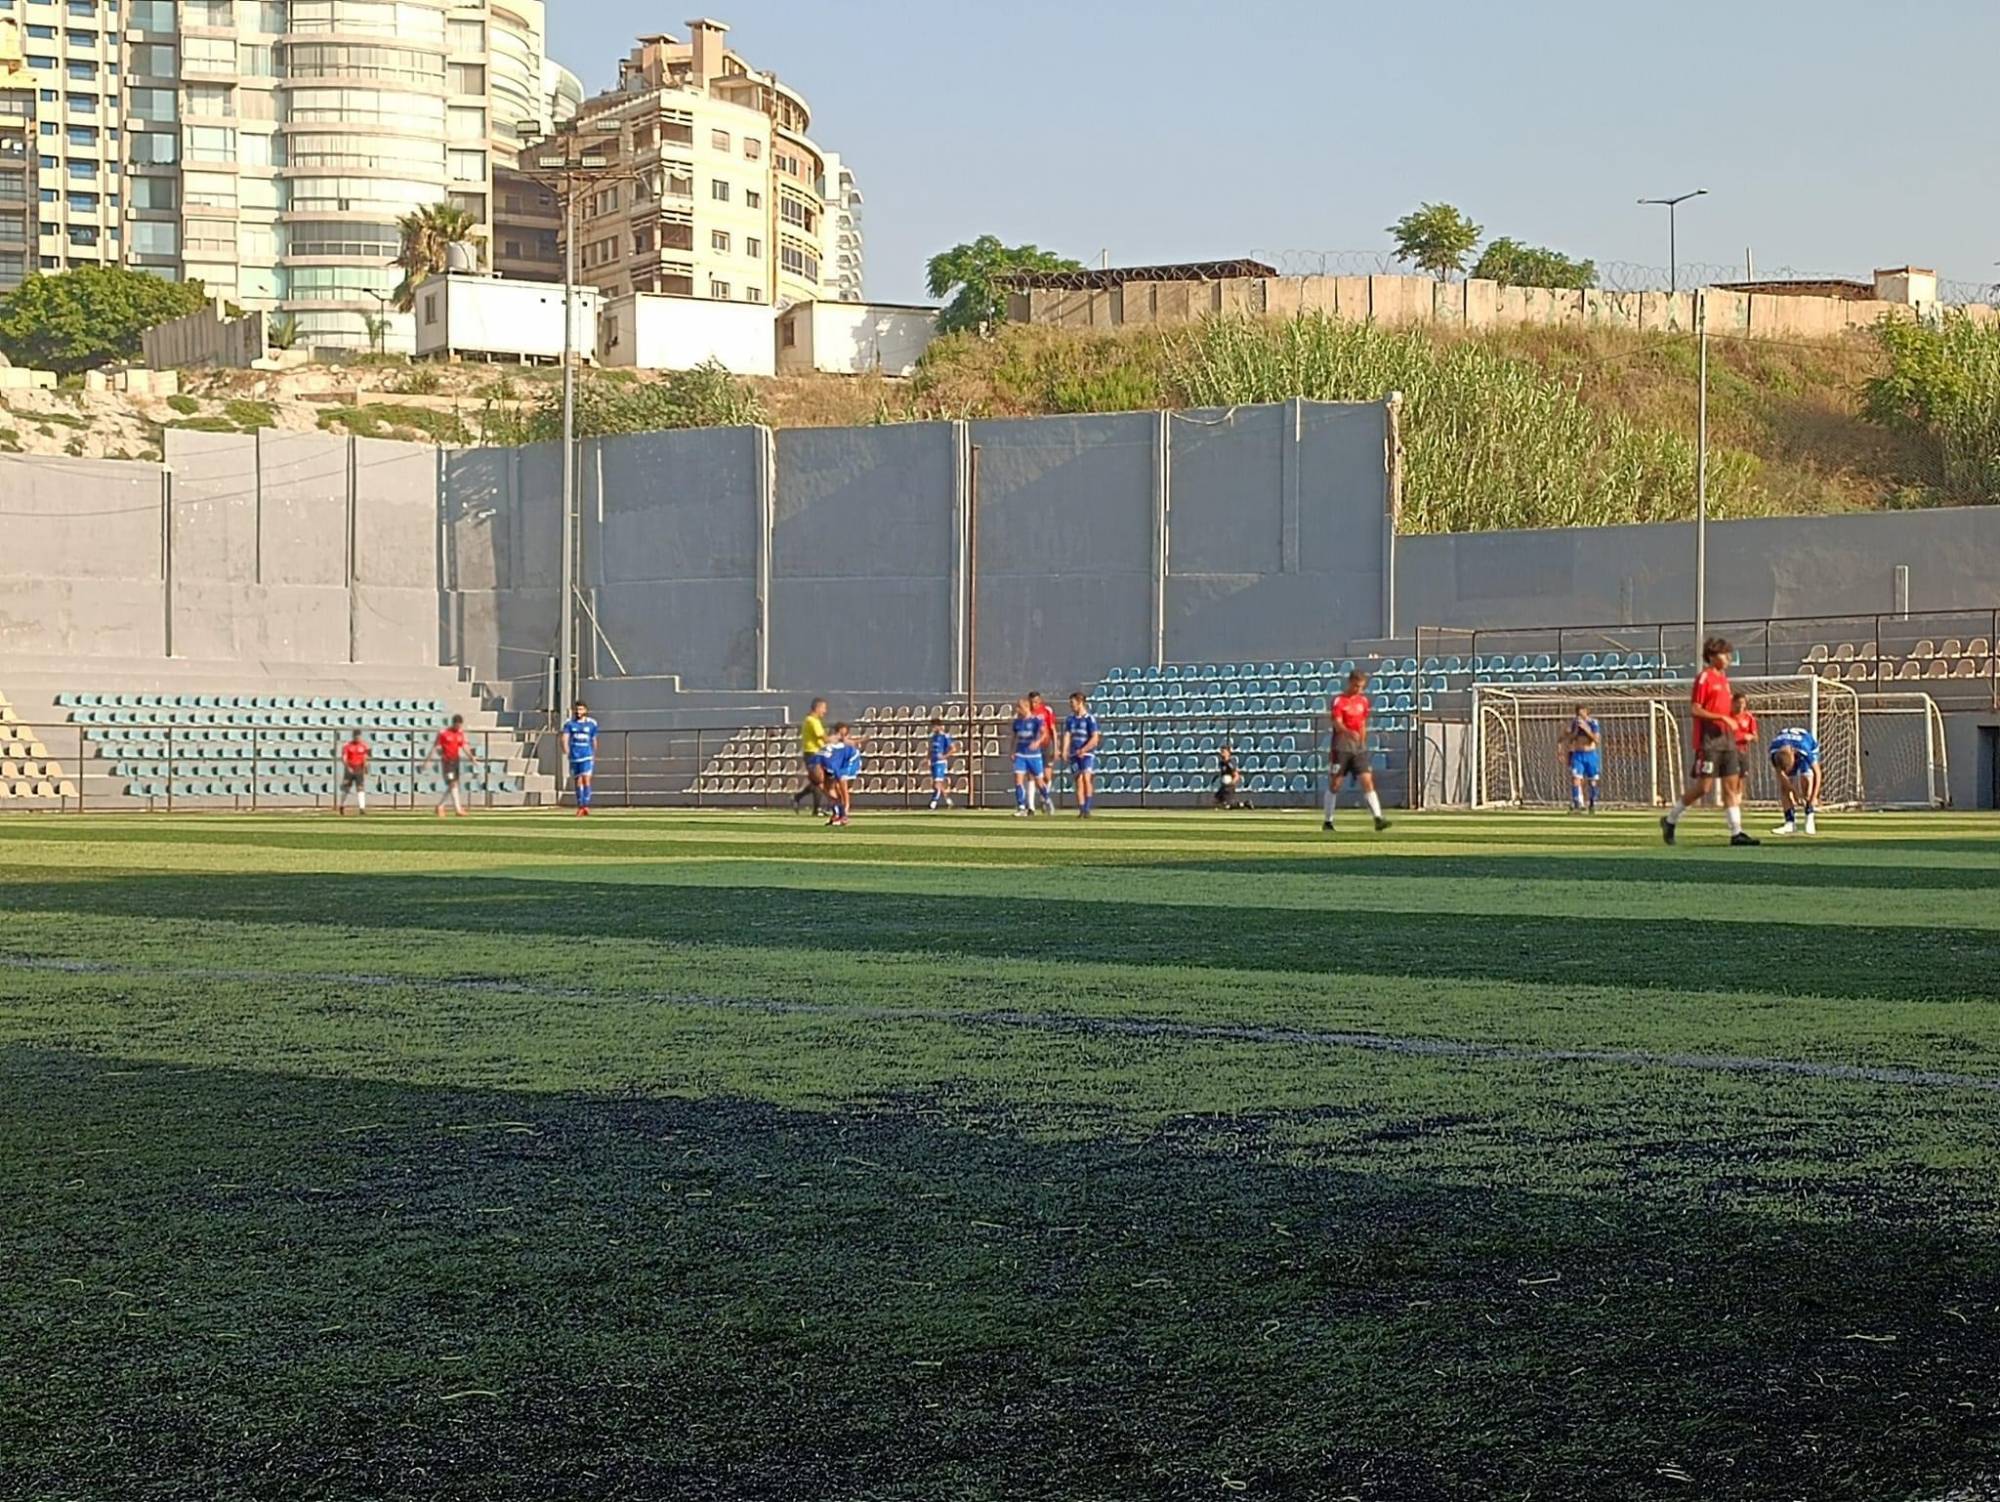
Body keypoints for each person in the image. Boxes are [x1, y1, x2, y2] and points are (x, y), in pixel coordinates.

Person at [1661, 637, 1758, 847]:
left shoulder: (1723, 679)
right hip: (1709, 742)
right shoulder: (1704, 678)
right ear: (1712, 656)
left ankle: (1736, 833)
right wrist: (1721, 718)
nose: (1729, 658)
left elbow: (1723, 706)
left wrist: (1734, 719)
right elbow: (1695, 709)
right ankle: (1670, 820)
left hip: (1727, 740)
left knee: (1731, 787)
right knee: (1704, 788)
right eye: (1724, 654)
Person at [1325, 671, 1390, 833]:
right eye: (1356, 686)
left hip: (1358, 749)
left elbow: (1362, 723)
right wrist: (1348, 732)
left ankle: (1378, 818)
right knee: (1335, 784)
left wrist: (1362, 740)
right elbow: (1337, 723)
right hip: (1341, 748)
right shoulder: (1339, 701)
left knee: (1367, 781)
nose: (1358, 689)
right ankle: (1328, 821)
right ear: (1349, 683)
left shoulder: (1363, 701)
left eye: (1361, 687)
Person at [1768, 724, 1821, 836]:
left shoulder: (1804, 749)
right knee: (1784, 788)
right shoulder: (1774, 751)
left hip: (1809, 744)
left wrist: (1813, 798)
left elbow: (1818, 773)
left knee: (1806, 783)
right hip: (1788, 747)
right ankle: (1790, 823)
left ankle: (1810, 817)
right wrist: (1795, 793)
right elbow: (1781, 775)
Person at [428, 713, 479, 819]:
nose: (459, 727)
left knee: (453, 785)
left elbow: (464, 746)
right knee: (453, 784)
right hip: (447, 762)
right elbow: (437, 746)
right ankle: (457, 809)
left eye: (460, 725)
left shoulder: (460, 734)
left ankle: (440, 806)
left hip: (456, 761)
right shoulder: (444, 733)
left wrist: (471, 757)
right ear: (454, 723)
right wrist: (439, 753)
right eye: (458, 725)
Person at [1062, 691, 1101, 818]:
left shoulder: (1089, 719)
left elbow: (1095, 738)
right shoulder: (1070, 719)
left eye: (1072, 703)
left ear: (1080, 703)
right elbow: (1067, 735)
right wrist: (1065, 750)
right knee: (1078, 781)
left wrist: (1084, 750)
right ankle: (1081, 809)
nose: (1071, 705)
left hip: (1087, 754)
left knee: (1086, 778)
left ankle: (1088, 808)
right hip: (1074, 754)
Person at [560, 699, 600, 817]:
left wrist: (593, 754)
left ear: (585, 710)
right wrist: (567, 752)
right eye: (577, 709)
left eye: (581, 709)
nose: (578, 711)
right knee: (578, 781)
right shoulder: (569, 724)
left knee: (586, 779)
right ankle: (580, 805)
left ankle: (585, 805)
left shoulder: (592, 723)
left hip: (586, 755)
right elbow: (564, 738)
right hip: (575, 756)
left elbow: (594, 740)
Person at [792, 698, 830, 816]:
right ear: (817, 708)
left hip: (818, 753)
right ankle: (815, 809)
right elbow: (822, 736)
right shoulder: (811, 720)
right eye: (824, 708)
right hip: (812, 753)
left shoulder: (815, 720)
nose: (825, 711)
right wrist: (836, 740)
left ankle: (797, 798)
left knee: (817, 782)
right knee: (818, 780)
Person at [1562, 704, 1602, 814]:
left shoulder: (1593, 723)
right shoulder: (1575, 723)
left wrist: (1586, 729)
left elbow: (1597, 740)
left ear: (1586, 712)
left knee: (1592, 781)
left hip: (1591, 755)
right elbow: (1570, 738)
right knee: (1575, 778)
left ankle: (1592, 803)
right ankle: (1577, 803)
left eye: (1582, 713)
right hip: (1578, 754)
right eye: (1578, 714)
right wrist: (1573, 732)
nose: (1580, 716)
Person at [1009, 697, 1045, 817]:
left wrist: (1038, 742)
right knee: (1018, 780)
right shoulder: (1017, 722)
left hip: (1034, 755)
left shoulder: (1036, 720)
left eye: (1019, 707)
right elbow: (1014, 737)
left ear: (1026, 708)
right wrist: (1012, 751)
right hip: (1021, 754)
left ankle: (1046, 799)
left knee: (1040, 782)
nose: (1017, 709)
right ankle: (1021, 807)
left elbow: (1044, 733)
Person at [823, 723, 863, 827]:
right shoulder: (829, 744)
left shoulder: (846, 745)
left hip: (847, 762)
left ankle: (844, 815)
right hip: (832, 762)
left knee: (842, 788)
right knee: (831, 788)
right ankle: (836, 813)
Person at [1028, 691, 1060, 814]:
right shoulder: (1028, 712)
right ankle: (1030, 807)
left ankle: (1043, 797)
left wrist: (1056, 747)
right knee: (1031, 776)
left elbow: (1053, 729)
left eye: (1036, 702)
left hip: (1046, 745)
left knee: (1047, 776)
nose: (1033, 705)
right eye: (1032, 702)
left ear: (1040, 701)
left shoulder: (1046, 710)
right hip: (1033, 748)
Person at [337, 728, 370, 816]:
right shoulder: (347, 746)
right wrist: (347, 767)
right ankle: (341, 806)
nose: (358, 737)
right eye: (356, 736)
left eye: (359, 736)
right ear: (353, 736)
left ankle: (362, 808)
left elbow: (365, 757)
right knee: (346, 789)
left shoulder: (363, 746)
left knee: (360, 788)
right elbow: (344, 758)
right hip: (350, 769)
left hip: (359, 769)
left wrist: (366, 767)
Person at [927, 717, 955, 810]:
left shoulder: (945, 737)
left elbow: (953, 749)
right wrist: (927, 759)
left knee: (936, 783)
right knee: (937, 783)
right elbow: (930, 750)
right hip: (933, 761)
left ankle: (934, 802)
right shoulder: (933, 737)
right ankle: (948, 800)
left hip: (940, 762)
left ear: (938, 726)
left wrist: (944, 756)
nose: (932, 728)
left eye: (934, 726)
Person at [1214, 745, 1246, 809]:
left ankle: (1245, 804)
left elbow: (1236, 775)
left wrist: (1231, 783)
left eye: (1223, 751)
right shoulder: (1221, 763)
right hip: (1224, 785)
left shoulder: (1230, 763)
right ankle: (1244, 804)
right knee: (1217, 800)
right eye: (1221, 751)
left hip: (1229, 785)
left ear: (1228, 753)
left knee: (1227, 805)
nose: (1221, 753)